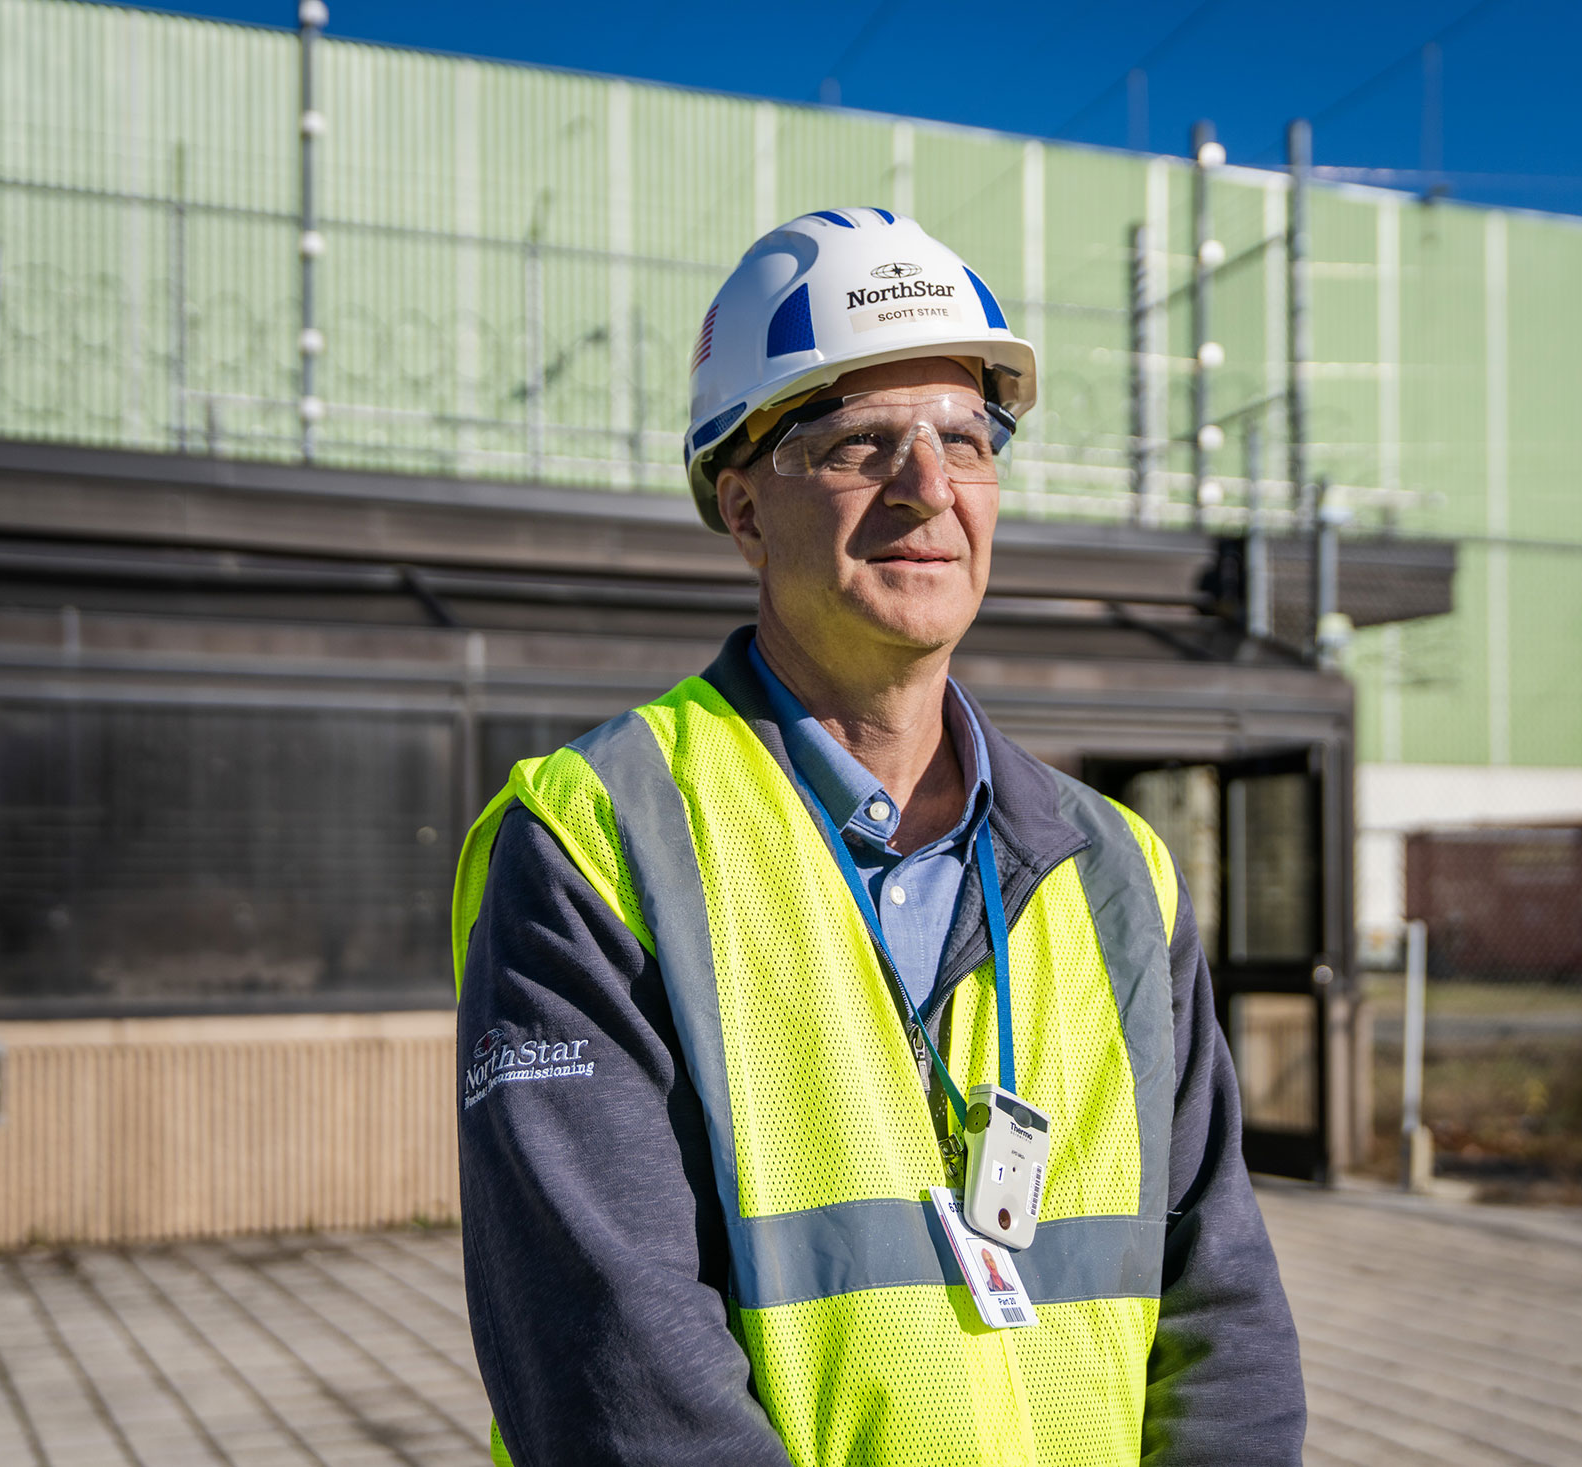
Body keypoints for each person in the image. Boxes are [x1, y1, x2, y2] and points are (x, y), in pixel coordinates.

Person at [452, 207, 1305, 1466]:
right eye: (860, 442)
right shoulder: (597, 839)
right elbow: (613, 1367)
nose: (930, 486)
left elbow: (1221, 1311)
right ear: (743, 510)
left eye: (967, 436)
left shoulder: (1118, 870)